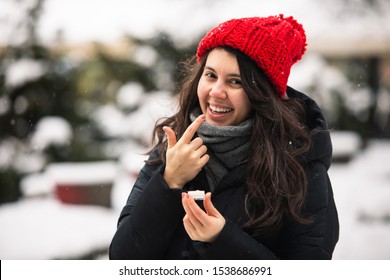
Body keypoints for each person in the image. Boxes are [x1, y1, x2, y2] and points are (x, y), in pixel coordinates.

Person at [109, 14, 339, 260]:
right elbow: (124, 258)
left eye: (235, 82)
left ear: (262, 94)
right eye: (210, 75)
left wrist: (223, 238)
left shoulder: (301, 168)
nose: (216, 92)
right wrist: (169, 181)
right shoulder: (174, 151)